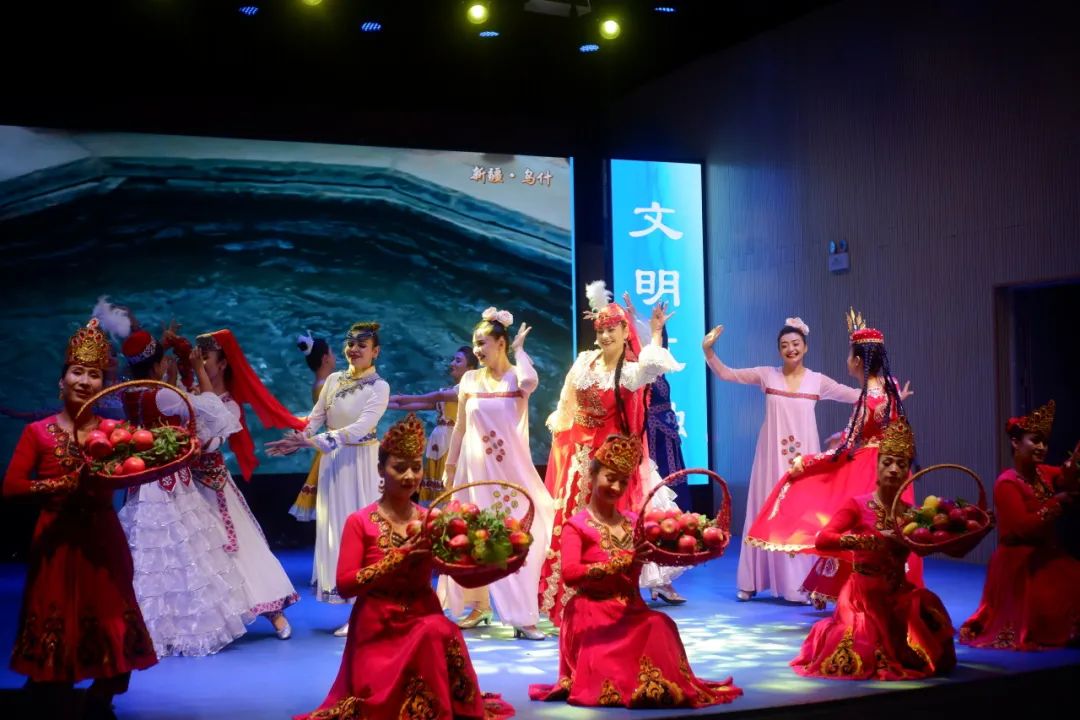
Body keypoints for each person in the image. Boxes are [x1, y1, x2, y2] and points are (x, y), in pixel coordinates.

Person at [294, 413, 514, 720]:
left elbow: (460, 575)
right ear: (380, 470)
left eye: (416, 467)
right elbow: (345, 584)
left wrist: (502, 563)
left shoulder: (432, 520)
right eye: (399, 468)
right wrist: (399, 558)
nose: (410, 476)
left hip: (423, 614)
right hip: (377, 625)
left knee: (437, 629)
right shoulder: (360, 522)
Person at [3, 320, 157, 718]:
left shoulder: (117, 433)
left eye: (94, 374)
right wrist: (59, 484)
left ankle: (100, 700)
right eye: (77, 372)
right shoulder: (38, 432)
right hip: (56, 541)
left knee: (112, 619)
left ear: (104, 385)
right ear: (62, 381)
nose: (85, 381)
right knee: (56, 620)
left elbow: (137, 472)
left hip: (103, 539)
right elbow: (12, 487)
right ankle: (50, 696)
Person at [529, 434, 743, 708]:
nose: (616, 487)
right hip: (590, 613)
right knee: (605, 669)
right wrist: (620, 562)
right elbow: (571, 575)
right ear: (592, 476)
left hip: (630, 609)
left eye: (623, 481)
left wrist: (694, 544)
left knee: (661, 624)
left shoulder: (635, 522)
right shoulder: (576, 526)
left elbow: (657, 551)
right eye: (610, 478)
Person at [745, 309, 920, 608]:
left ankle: (860, 595)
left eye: (849, 355)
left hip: (871, 469)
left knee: (853, 526)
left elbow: (845, 447)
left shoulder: (866, 398)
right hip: (898, 469)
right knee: (894, 530)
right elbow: (882, 424)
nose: (846, 360)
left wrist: (807, 462)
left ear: (857, 361)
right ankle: (895, 593)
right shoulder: (889, 386)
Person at [540, 282, 685, 625]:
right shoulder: (583, 362)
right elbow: (566, 402)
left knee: (606, 528)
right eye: (601, 330)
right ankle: (565, 605)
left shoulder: (630, 372)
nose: (605, 336)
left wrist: (655, 331)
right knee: (569, 526)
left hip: (608, 464)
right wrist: (563, 437)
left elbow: (653, 366)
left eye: (612, 330)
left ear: (624, 332)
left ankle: (610, 603)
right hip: (579, 459)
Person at [112, 321, 254, 655]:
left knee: (150, 555)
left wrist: (167, 365)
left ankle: (150, 628)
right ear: (157, 366)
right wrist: (197, 371)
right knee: (183, 555)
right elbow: (216, 414)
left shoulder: (126, 393)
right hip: (170, 483)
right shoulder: (164, 395)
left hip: (141, 484)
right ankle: (184, 629)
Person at [702, 317, 863, 602]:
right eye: (785, 345)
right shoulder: (767, 375)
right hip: (770, 457)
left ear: (806, 347)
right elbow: (728, 374)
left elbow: (855, 396)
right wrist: (709, 351)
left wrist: (891, 393)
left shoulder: (818, 381)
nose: (791, 349)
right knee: (764, 509)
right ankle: (752, 581)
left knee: (801, 514)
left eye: (796, 344)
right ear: (779, 350)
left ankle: (799, 585)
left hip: (804, 460)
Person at [791, 418, 956, 680]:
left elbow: (930, 547)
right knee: (861, 642)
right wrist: (863, 541)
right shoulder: (857, 505)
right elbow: (823, 539)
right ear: (877, 466)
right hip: (862, 596)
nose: (893, 469)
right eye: (887, 462)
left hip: (898, 594)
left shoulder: (913, 515)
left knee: (930, 630)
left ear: (908, 471)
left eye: (901, 464)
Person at [438, 307, 555, 640]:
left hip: (510, 474)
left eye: (482, 343)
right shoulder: (470, 380)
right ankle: (479, 606)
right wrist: (449, 468)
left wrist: (520, 350)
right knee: (473, 538)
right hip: (473, 473)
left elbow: (531, 381)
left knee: (516, 538)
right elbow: (460, 428)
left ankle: (523, 616)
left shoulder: (517, 377)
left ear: (500, 343)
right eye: (475, 343)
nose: (477, 349)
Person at [267, 322, 390, 637]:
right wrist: (297, 439)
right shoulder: (334, 380)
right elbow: (316, 417)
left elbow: (360, 429)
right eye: (351, 343)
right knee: (337, 532)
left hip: (362, 465)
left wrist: (311, 442)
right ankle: (354, 604)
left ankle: (368, 608)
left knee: (365, 533)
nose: (354, 349)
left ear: (375, 351)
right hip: (333, 464)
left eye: (362, 345)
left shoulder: (379, 387)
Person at [193, 329, 303, 638]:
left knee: (239, 546)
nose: (200, 362)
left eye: (206, 358)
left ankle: (273, 612)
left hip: (214, 485)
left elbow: (211, 442)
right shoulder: (188, 394)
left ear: (222, 364)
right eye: (198, 358)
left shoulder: (229, 405)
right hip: (187, 486)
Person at [960, 401, 1080, 650]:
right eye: (1035, 440)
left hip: (1047, 557)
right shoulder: (1007, 483)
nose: (1042, 447)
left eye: (1044, 442)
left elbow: (1067, 475)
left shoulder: (1043, 473)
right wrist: (1056, 503)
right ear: (1016, 442)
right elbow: (1022, 527)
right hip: (1019, 564)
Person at [387, 344, 478, 503]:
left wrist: (406, 398)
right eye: (453, 360)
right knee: (434, 483)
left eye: (458, 361)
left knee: (448, 484)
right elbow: (423, 404)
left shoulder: (466, 389)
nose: (452, 364)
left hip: (452, 443)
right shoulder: (450, 391)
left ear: (470, 368)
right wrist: (387, 403)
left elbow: (435, 397)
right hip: (439, 443)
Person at [288, 331, 337, 522]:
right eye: (332, 353)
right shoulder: (325, 386)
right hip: (336, 445)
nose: (334, 356)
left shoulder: (320, 384)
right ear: (325, 359)